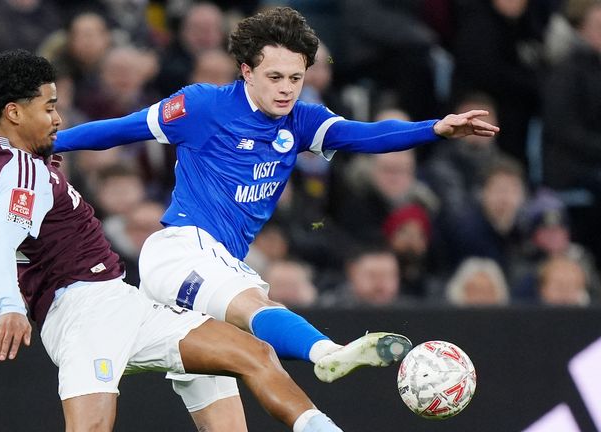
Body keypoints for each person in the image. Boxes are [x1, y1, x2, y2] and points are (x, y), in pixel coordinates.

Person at [53, 6, 499, 430]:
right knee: (258, 308)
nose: (286, 89)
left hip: (202, 283)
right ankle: (326, 352)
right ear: (246, 71)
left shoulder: (301, 120)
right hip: (183, 252)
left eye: (296, 78)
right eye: (274, 77)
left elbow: (364, 135)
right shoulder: (203, 106)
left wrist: (434, 128)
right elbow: (117, 128)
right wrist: (46, 144)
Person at [0, 49, 344, 432]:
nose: (59, 118)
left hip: (123, 302)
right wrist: (9, 307)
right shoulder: (26, 175)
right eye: (49, 107)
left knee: (255, 355)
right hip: (81, 317)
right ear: (14, 113)